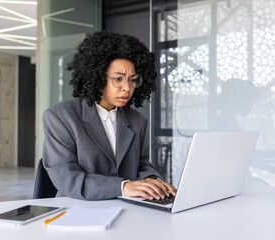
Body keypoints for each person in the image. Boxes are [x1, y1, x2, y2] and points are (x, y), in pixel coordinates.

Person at [42, 31, 177, 201]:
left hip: (127, 209)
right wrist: (122, 187)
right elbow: (67, 178)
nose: (127, 87)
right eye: (118, 79)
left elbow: (141, 164)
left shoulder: (137, 121)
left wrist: (151, 181)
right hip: (77, 208)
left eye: (133, 79)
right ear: (97, 77)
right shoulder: (60, 117)